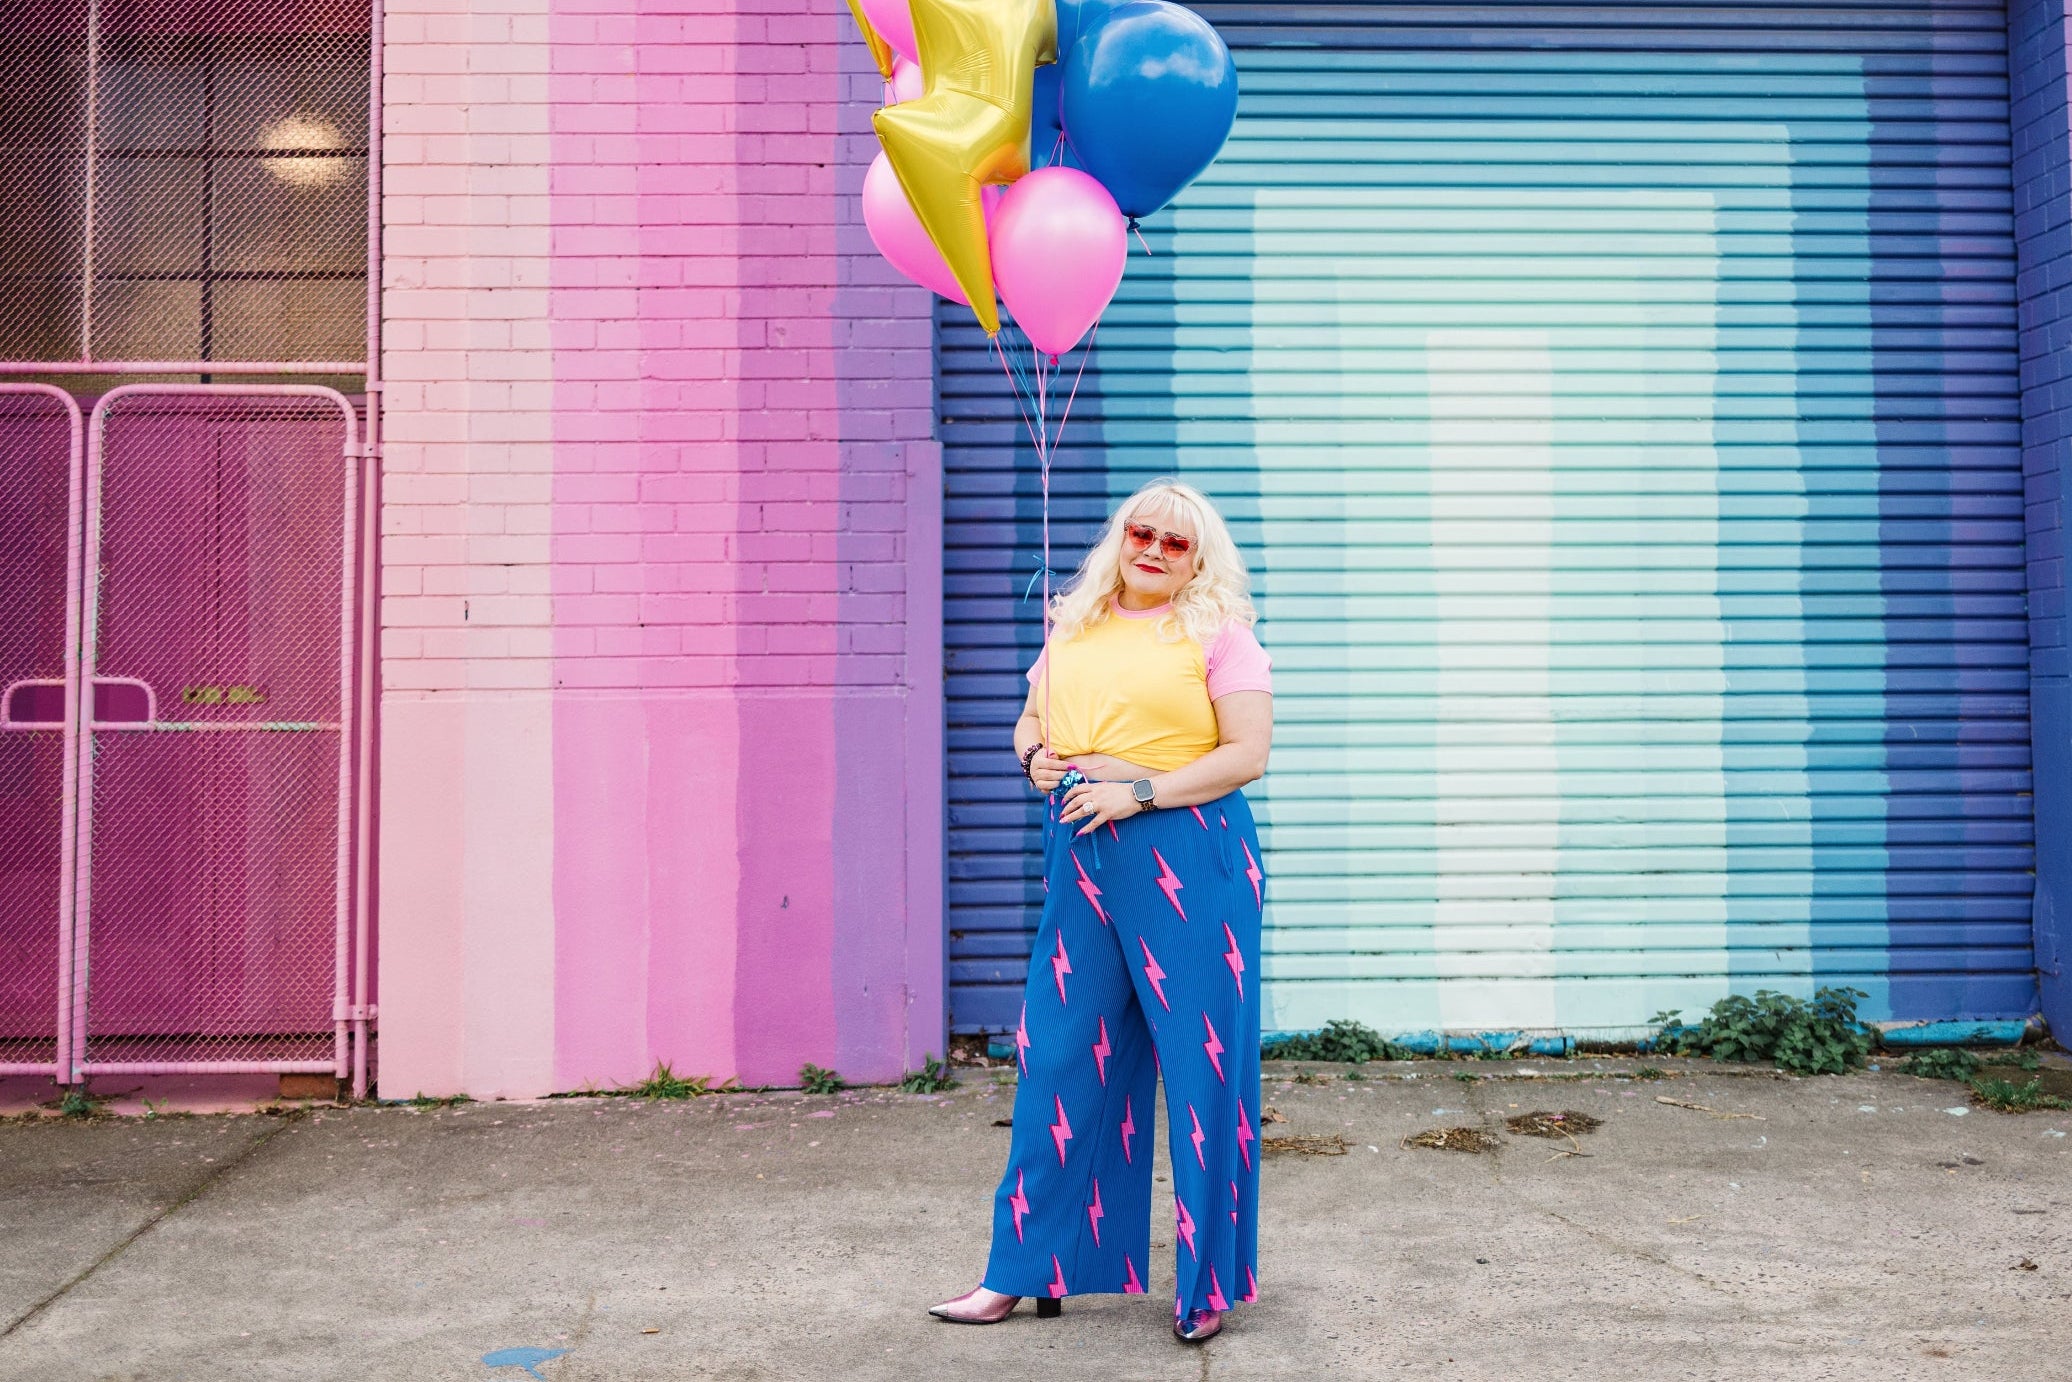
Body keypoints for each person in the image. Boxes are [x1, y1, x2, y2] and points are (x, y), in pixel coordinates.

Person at [930, 479, 1273, 1344]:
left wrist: (1140, 792)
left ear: (1199, 560)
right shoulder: (1071, 622)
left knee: (1200, 1073)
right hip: (1081, 851)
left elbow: (1247, 754)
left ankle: (1208, 1287)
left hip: (1191, 855)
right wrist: (1036, 756)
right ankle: (1021, 1270)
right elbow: (1030, 722)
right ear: (1120, 537)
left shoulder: (1220, 635)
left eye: (1176, 543)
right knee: (1056, 1059)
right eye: (1142, 532)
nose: (1154, 549)